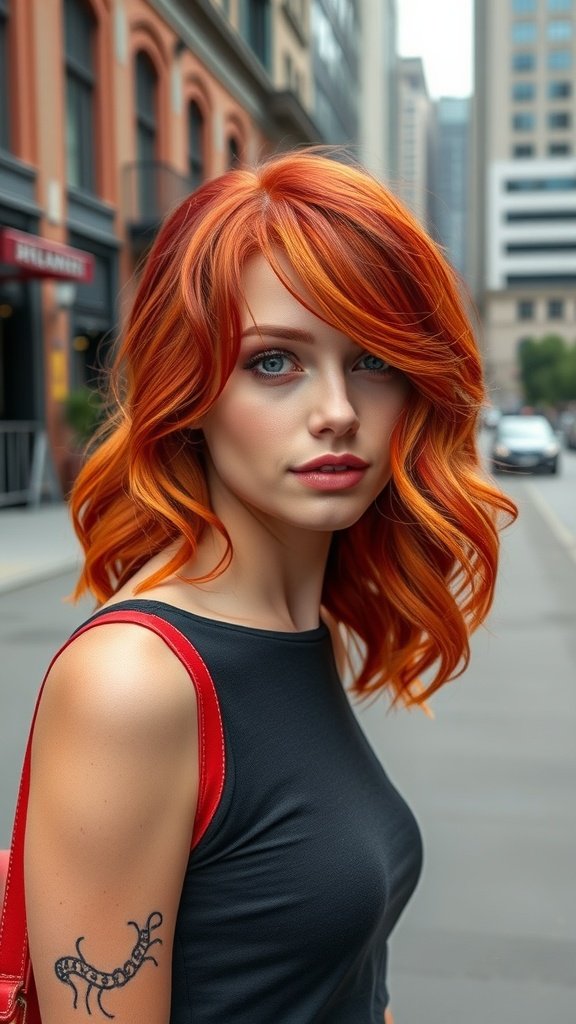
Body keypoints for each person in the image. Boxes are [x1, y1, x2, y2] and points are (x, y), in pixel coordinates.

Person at [24, 150, 517, 1024]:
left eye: (372, 359)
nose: (337, 409)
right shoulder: (136, 683)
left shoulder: (300, 628)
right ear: (191, 390)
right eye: (275, 363)